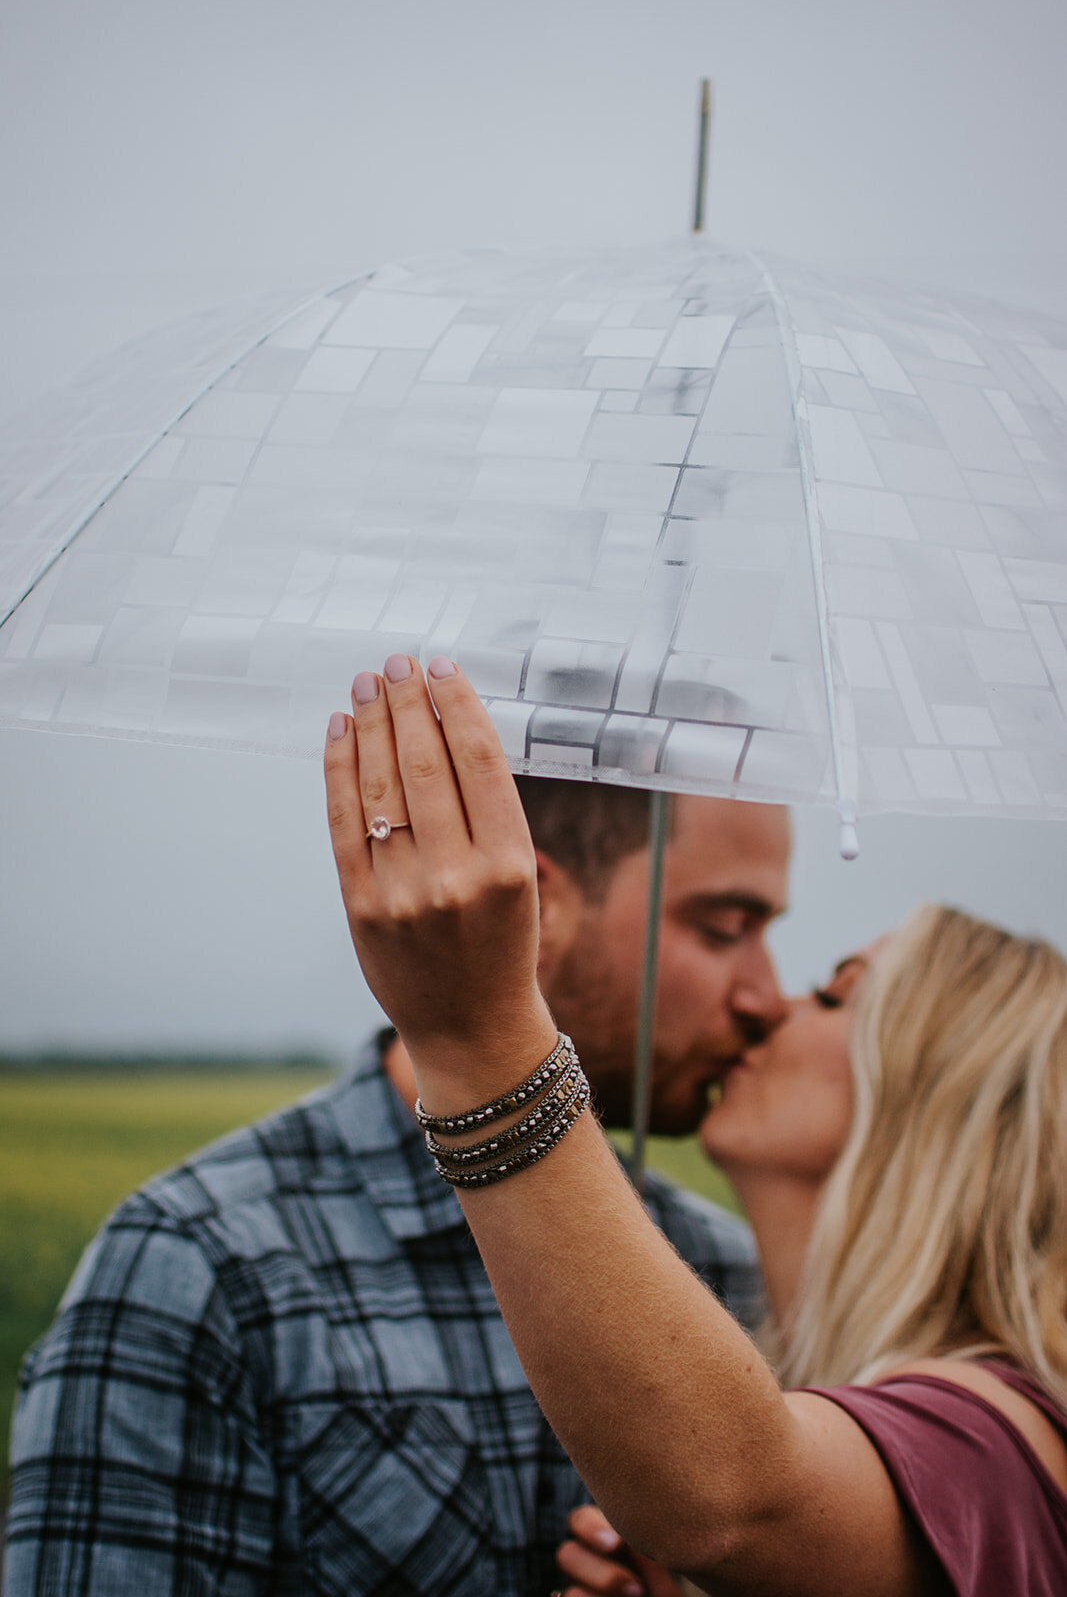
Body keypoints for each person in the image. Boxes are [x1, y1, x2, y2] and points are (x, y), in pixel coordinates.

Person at [4, 661, 789, 1597]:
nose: (766, 997)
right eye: (723, 927)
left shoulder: (727, 1271)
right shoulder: (204, 1265)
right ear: (524, 907)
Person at [321, 654, 1067, 1597]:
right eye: (724, 929)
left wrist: (476, 1034)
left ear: (942, 1100)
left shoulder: (995, 1435)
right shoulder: (785, 1346)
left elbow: (730, 1503)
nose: (768, 1003)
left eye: (834, 996)